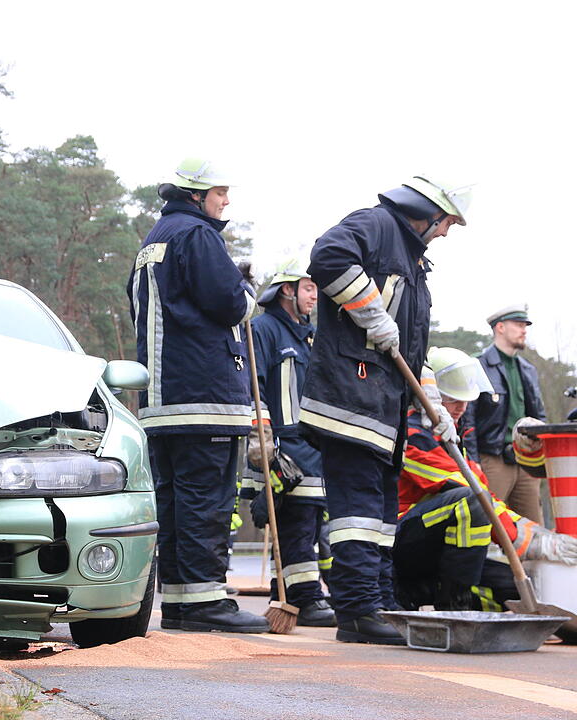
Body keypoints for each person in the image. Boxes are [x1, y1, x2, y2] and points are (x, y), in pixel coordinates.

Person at [300, 176, 472, 644]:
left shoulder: (414, 263)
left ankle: (379, 603)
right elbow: (328, 255)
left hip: (384, 411)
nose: (446, 233)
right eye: (448, 223)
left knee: (380, 516)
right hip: (350, 404)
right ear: (428, 210)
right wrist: (371, 311)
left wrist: (436, 408)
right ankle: (356, 612)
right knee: (357, 511)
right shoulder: (375, 226)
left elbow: (412, 355)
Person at [127, 157, 268, 633]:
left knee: (174, 502)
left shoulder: (152, 242)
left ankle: (185, 603)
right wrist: (246, 288)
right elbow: (230, 302)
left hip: (161, 402)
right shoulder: (198, 235)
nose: (226, 201)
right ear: (196, 195)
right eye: (220, 192)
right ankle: (207, 601)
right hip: (204, 396)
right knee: (207, 502)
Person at [395, 347, 577, 610]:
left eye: (466, 399)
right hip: (406, 544)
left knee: (512, 589)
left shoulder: (453, 436)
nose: (462, 407)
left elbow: (486, 497)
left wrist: (536, 534)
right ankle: (455, 606)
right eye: (452, 398)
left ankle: (439, 595)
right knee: (469, 501)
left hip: (438, 549)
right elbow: (474, 496)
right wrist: (531, 541)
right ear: (432, 394)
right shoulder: (414, 433)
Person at [241, 259, 335, 626]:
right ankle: (306, 599)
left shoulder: (311, 336)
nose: (315, 296)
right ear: (288, 290)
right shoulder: (263, 330)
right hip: (282, 445)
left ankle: (291, 590)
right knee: (296, 523)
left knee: (308, 523)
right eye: (309, 288)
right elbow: (254, 385)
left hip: (313, 446)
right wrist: (262, 438)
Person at [466, 304, 548, 524]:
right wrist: (474, 462)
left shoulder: (528, 369)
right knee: (486, 524)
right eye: (519, 325)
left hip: (525, 462)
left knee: (534, 530)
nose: (524, 330)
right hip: (492, 459)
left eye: (525, 326)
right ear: (500, 327)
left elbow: (539, 416)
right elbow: (467, 418)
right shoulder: (477, 365)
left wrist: (541, 460)